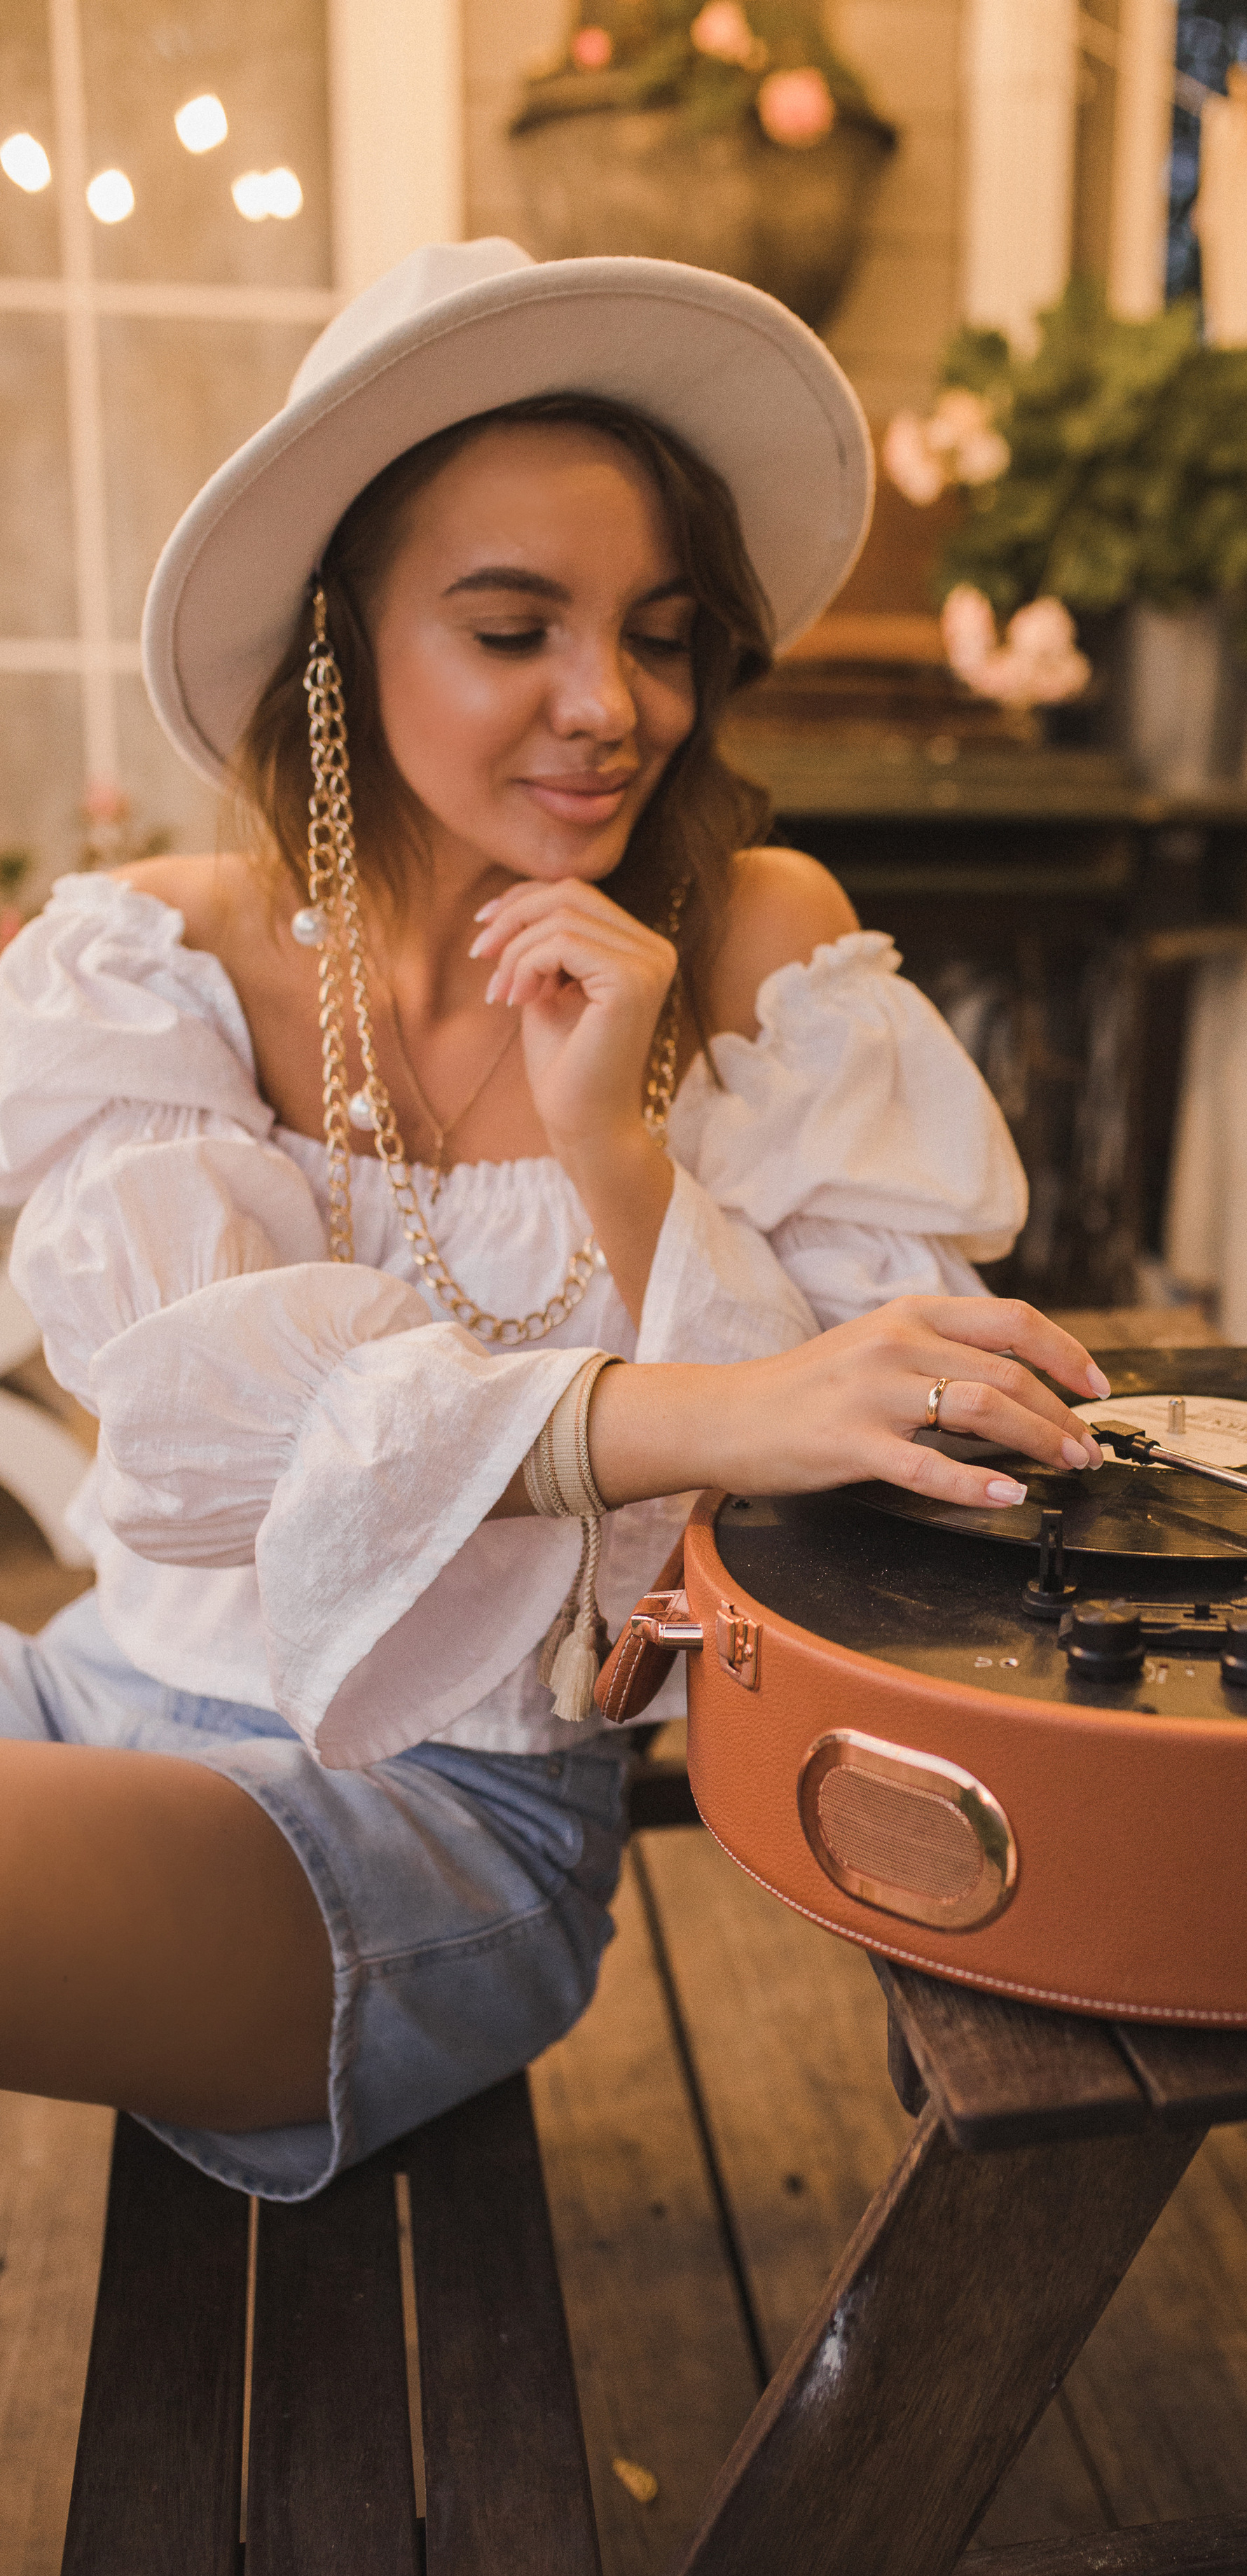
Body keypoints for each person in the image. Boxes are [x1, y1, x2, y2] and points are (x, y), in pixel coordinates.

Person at [0, 241, 1108, 2202]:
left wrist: (624, 1152)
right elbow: (194, 1448)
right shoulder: (155, 962)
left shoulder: (758, 941)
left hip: (426, 1819)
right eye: (514, 628)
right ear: (339, 642)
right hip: (87, 1697)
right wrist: (681, 1417)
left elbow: (855, 1467)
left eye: (661, 635)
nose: (613, 707)